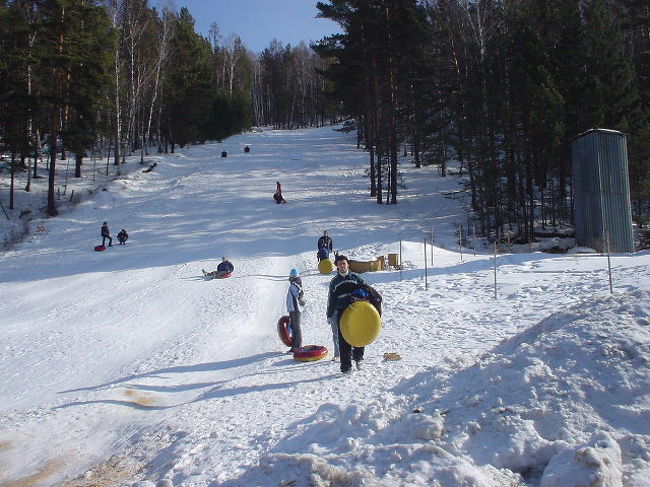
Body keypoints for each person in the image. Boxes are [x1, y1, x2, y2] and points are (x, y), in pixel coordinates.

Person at [326, 254, 367, 373]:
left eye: (344, 263)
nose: (342, 266)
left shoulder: (356, 278)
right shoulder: (334, 282)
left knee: (358, 336)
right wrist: (329, 314)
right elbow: (331, 299)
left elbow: (367, 290)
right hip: (342, 313)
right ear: (337, 267)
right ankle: (346, 367)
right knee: (343, 340)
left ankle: (358, 358)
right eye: (339, 264)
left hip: (356, 312)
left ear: (347, 264)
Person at [286, 268, 305, 352]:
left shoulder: (295, 283)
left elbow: (299, 292)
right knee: (293, 327)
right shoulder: (294, 283)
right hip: (293, 308)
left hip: (295, 309)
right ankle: (294, 345)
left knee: (296, 327)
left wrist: (300, 298)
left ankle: (297, 346)